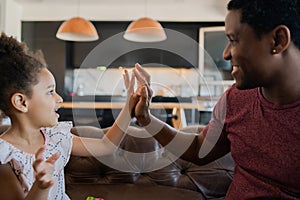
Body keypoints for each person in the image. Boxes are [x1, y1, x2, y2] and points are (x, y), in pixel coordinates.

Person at [131, 0, 300, 199]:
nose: (226, 53)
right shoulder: (235, 99)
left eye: (234, 40)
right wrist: (146, 119)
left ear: (278, 41)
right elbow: (199, 149)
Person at [0, 32, 139, 200]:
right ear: (21, 102)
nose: (59, 98)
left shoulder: (56, 137)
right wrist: (41, 186)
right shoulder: (4, 155)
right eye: (50, 92)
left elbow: (106, 146)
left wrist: (129, 107)